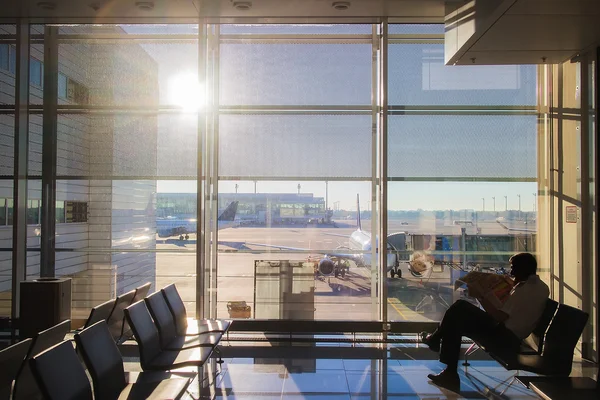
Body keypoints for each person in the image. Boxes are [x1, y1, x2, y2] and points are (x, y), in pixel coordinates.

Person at [419, 252, 549, 391]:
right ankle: (444, 361)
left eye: (514, 267)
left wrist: (480, 296)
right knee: (456, 319)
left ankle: (436, 343)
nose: (511, 271)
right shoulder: (539, 287)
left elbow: (499, 317)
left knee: (459, 308)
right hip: (510, 334)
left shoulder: (524, 290)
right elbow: (514, 310)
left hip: (505, 337)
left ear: (523, 268)